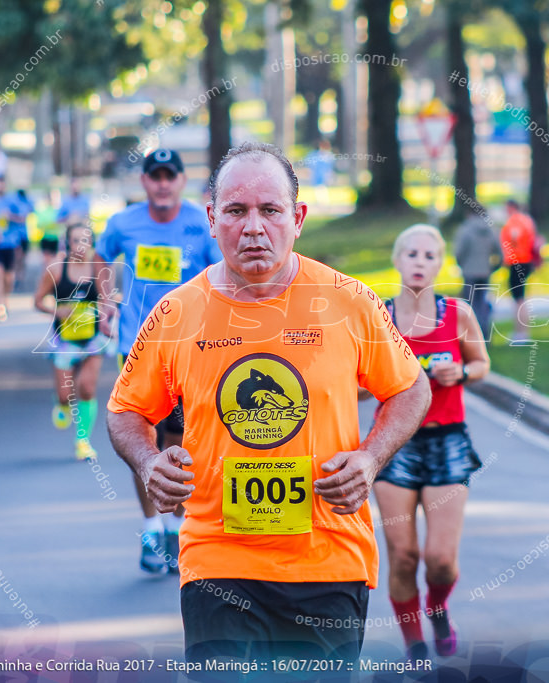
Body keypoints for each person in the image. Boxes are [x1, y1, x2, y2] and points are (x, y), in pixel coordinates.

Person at [106, 142, 431, 666]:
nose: (253, 227)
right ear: (212, 219)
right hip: (217, 557)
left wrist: (371, 457)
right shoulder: (176, 313)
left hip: (327, 559)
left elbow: (411, 387)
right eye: (236, 211)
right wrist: (148, 463)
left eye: (270, 210)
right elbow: (125, 409)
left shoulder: (347, 301)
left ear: (297, 218)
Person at [95, 149, 222, 575]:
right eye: (155, 177)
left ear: (182, 180)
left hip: (191, 350)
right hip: (136, 345)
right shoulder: (123, 223)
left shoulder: (200, 224)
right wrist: (106, 301)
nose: (162, 184)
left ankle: (177, 525)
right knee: (142, 436)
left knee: (181, 442)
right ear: (145, 182)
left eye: (170, 176)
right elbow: (100, 258)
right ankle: (152, 529)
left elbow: (219, 277)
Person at [371, 223, 489, 660]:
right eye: (411, 254)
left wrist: (460, 373)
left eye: (429, 256)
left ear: (441, 264)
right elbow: (360, 385)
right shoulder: (378, 317)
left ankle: (437, 606)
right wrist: (384, 383)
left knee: (439, 559)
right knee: (403, 556)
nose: (419, 262)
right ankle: (414, 639)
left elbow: (481, 364)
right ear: (397, 260)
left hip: (447, 443)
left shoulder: (457, 313)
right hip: (394, 445)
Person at [35, 223, 113, 461]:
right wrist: (57, 312)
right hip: (65, 339)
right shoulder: (57, 269)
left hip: (92, 339)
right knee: (65, 394)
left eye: (85, 240)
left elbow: (107, 300)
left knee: (87, 388)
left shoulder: (99, 268)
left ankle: (83, 441)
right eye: (75, 240)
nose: (80, 245)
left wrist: (104, 315)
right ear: (67, 243)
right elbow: (38, 301)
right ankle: (62, 404)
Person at [0, 176, 30, 321]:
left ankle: (5, 301)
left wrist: (11, 216)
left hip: (10, 244)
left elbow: (23, 218)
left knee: (8, 278)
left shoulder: (13, 201)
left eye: (2, 183)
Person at [453, 205, 501, 340]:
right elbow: (500, 253)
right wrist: (492, 268)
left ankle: (471, 337)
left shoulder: (465, 229)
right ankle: (485, 335)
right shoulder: (491, 230)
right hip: (485, 273)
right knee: (483, 304)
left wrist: (462, 265)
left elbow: (459, 252)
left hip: (469, 273)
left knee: (470, 306)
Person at [499, 199, 539, 344]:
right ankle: (521, 331)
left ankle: (521, 332)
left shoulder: (514, 223)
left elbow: (513, 242)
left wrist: (505, 258)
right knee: (520, 298)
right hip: (526, 261)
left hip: (518, 262)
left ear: (511, 207)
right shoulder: (528, 220)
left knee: (518, 299)